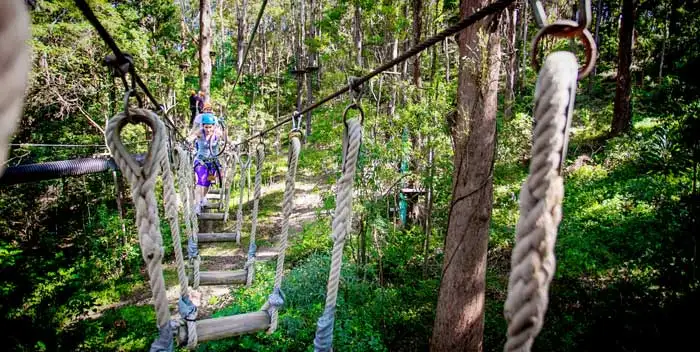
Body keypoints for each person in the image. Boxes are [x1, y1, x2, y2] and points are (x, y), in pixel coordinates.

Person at [187, 113, 224, 214]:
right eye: (206, 127)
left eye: (210, 127)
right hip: (200, 161)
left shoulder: (217, 133)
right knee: (200, 181)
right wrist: (187, 141)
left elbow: (226, 140)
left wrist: (230, 142)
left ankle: (203, 198)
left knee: (208, 183)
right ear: (202, 126)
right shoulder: (200, 132)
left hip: (213, 163)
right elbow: (191, 137)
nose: (208, 129)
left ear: (214, 126)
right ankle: (197, 205)